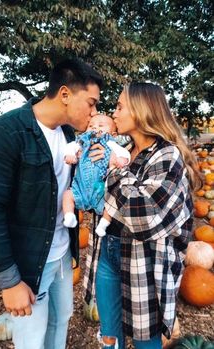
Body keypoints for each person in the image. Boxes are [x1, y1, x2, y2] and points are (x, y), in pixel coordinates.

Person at [0, 58, 103, 349]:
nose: (95, 112)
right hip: (30, 264)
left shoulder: (69, 135)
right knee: (32, 340)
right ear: (64, 94)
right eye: (91, 103)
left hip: (61, 256)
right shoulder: (4, 134)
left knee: (60, 323)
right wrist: (9, 282)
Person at [83, 82, 201, 349]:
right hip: (108, 252)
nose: (113, 113)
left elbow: (145, 218)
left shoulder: (167, 156)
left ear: (141, 111)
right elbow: (100, 201)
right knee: (109, 334)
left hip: (145, 261)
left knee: (145, 339)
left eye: (119, 106)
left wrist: (112, 174)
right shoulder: (120, 149)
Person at [62, 113, 131, 237]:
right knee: (67, 195)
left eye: (100, 125)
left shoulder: (111, 144)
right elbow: (70, 146)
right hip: (81, 187)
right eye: (91, 125)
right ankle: (69, 215)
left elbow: (124, 153)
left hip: (101, 190)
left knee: (110, 205)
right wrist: (69, 155)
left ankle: (103, 224)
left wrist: (122, 159)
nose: (94, 128)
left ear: (113, 134)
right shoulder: (82, 142)